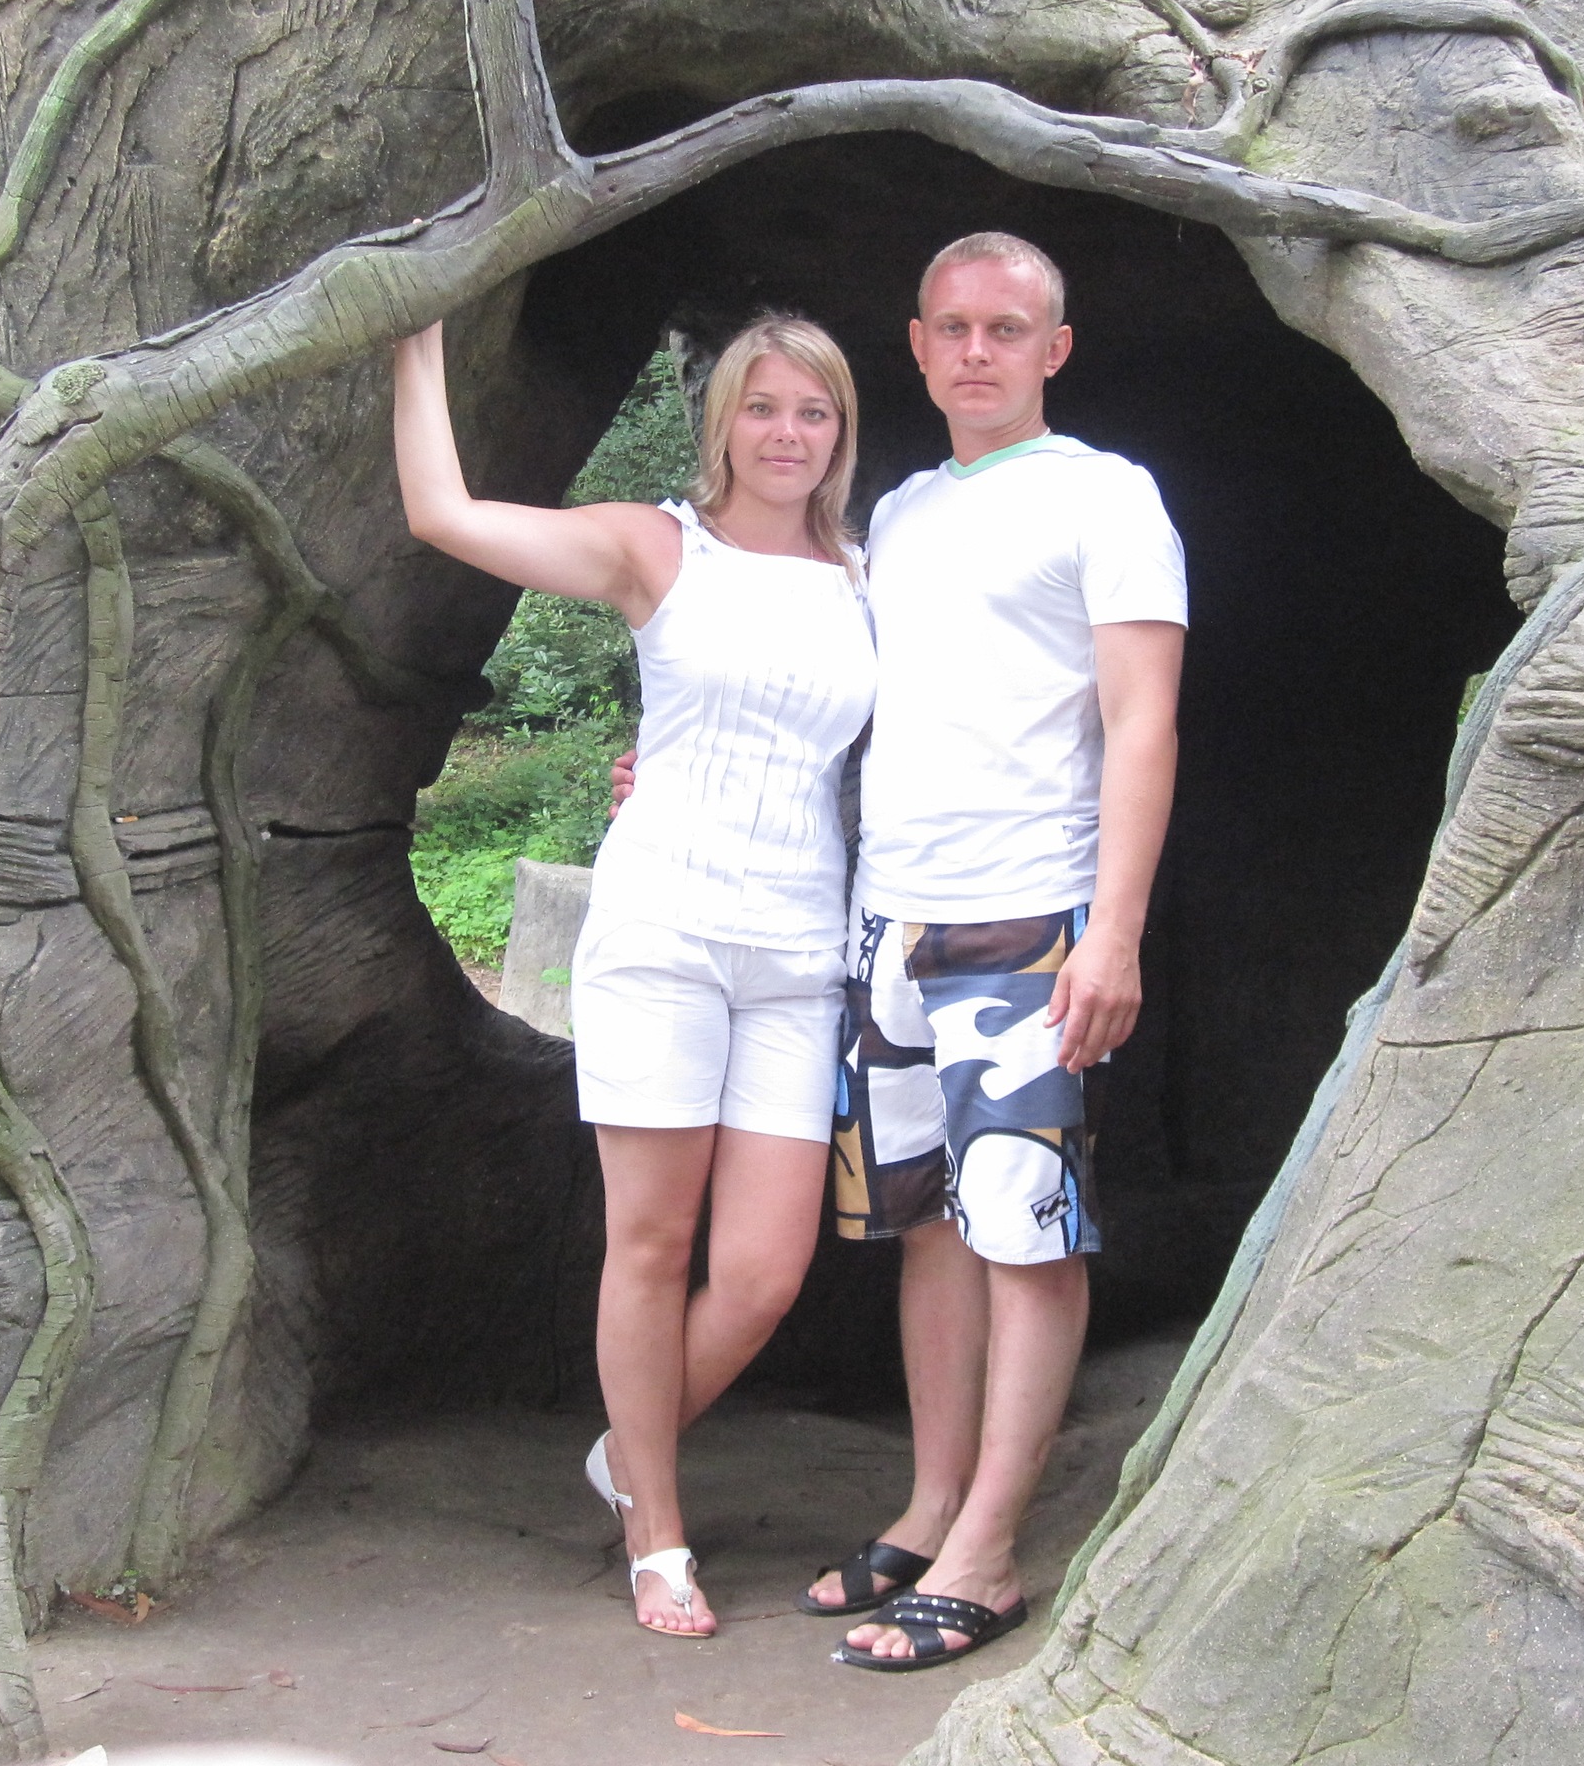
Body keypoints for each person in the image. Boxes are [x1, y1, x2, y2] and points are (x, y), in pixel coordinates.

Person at [621, 235, 1185, 1668]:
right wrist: (666, 775)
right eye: (953, 328)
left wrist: (1114, 931)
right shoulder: (902, 517)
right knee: (929, 1225)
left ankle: (989, 1554)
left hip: (1028, 916)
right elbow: (818, 693)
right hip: (887, 921)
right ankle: (933, 1508)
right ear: (920, 349)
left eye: (1008, 328)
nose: (978, 351)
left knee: (1026, 1226)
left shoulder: (1108, 497)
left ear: (1055, 348)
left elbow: (1143, 721)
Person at [392, 314, 877, 1641]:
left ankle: (624, 1451)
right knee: (653, 1245)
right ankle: (657, 1536)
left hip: (799, 951)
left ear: (840, 431)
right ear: (722, 420)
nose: (787, 433)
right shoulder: (655, 546)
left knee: (767, 1270)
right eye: (763, 407)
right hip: (663, 931)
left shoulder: (867, 576)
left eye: (814, 412)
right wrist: (416, 339)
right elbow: (443, 514)